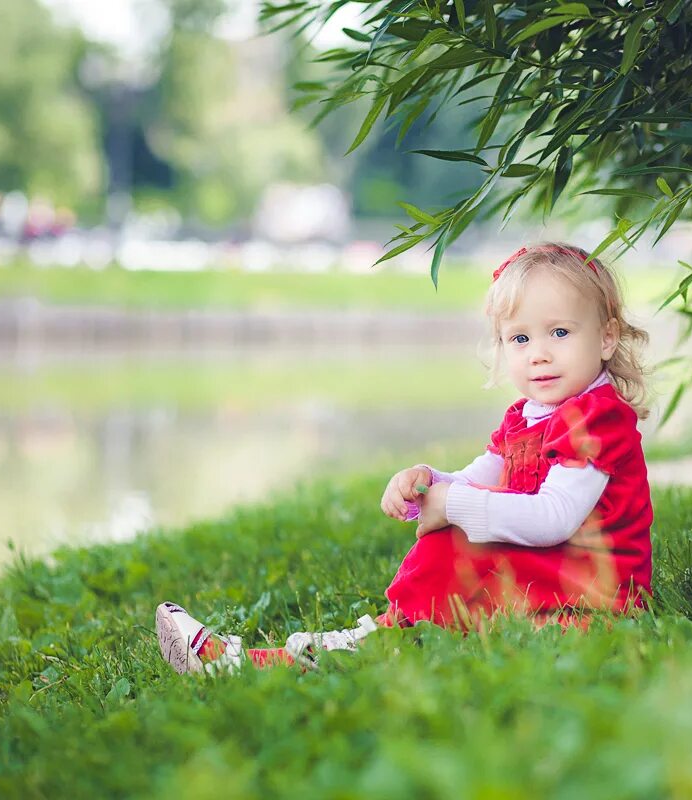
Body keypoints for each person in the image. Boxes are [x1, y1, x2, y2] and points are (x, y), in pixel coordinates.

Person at [155, 242, 654, 675]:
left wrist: (452, 504)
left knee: (451, 543)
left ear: (607, 337)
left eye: (560, 333)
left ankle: (317, 652)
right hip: (551, 571)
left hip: (594, 593)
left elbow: (555, 518)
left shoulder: (597, 416)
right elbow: (481, 477)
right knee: (446, 545)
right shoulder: (527, 415)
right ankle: (349, 643)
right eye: (520, 339)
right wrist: (429, 481)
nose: (538, 354)